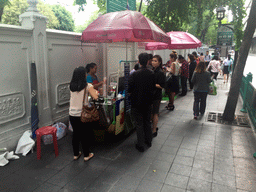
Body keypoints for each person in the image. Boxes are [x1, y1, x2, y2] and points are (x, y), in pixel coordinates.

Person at [69, 66, 99, 161]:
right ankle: (86, 155)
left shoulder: (71, 86)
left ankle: (76, 154)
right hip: (82, 114)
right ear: (83, 75)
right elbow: (95, 97)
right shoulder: (88, 86)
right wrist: (96, 93)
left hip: (72, 114)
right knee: (84, 134)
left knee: (76, 134)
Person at [128, 53, 155, 152]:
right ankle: (149, 141)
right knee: (147, 122)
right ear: (148, 61)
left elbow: (129, 89)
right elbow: (153, 88)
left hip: (137, 103)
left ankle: (140, 144)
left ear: (139, 61)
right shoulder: (151, 73)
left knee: (139, 124)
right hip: (148, 102)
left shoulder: (134, 74)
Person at [151, 55, 165, 138]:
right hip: (150, 94)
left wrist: (154, 85)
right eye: (152, 60)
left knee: (155, 112)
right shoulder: (152, 70)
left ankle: (154, 130)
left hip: (156, 95)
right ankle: (153, 126)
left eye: (155, 61)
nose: (153, 62)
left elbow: (162, 86)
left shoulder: (160, 72)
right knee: (151, 112)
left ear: (159, 62)